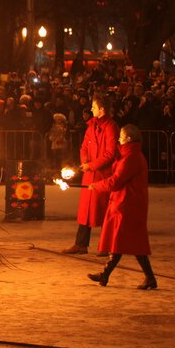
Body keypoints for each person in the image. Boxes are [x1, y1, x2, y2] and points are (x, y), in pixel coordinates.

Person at [86, 124, 158, 289]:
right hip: (125, 203)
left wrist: (97, 186)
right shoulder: (129, 156)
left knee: (127, 241)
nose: (118, 138)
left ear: (129, 139)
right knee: (122, 241)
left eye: (121, 136)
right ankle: (107, 275)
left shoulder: (131, 157)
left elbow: (115, 181)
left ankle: (148, 277)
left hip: (127, 204)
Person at [62, 95, 118, 255]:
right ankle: (81, 244)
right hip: (90, 174)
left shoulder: (110, 127)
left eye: (94, 107)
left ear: (102, 109)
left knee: (104, 211)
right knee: (86, 211)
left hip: (103, 175)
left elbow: (110, 153)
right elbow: (84, 147)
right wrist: (85, 162)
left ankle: (106, 245)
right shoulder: (91, 126)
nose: (91, 109)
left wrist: (91, 165)